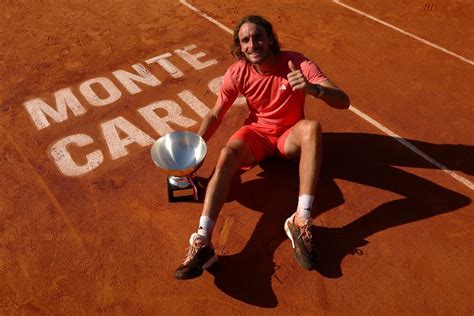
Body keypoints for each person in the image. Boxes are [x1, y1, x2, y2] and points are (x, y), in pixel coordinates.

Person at [174, 15, 350, 280]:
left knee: (312, 128)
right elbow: (215, 114)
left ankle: (300, 219)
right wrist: (194, 148)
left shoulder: (297, 63)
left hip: (288, 137)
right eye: (245, 40)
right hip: (257, 133)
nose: (252, 44)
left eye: (258, 37)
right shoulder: (238, 71)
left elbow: (343, 101)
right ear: (240, 46)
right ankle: (202, 242)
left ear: (270, 39)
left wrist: (314, 89)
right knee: (227, 154)